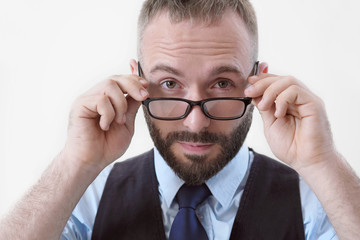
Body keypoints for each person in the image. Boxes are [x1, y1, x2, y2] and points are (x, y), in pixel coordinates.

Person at [1, 0, 359, 239]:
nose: (195, 124)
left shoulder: (313, 200)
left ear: (258, 80)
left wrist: (322, 162)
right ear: (136, 80)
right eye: (170, 84)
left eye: (221, 84)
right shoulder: (87, 197)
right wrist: (73, 163)